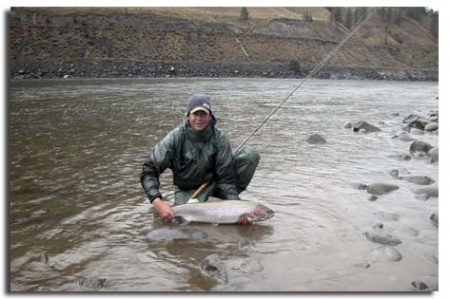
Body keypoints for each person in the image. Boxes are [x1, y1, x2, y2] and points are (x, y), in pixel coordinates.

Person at [140, 93, 260, 223]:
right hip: (187, 189)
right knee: (178, 221)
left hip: (215, 183)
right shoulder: (175, 138)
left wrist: (236, 208)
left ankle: (222, 202)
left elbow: (226, 179)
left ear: (210, 116)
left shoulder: (219, 138)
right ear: (188, 116)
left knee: (249, 154)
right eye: (195, 114)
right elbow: (149, 170)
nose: (199, 118)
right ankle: (212, 205)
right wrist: (157, 201)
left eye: (203, 114)